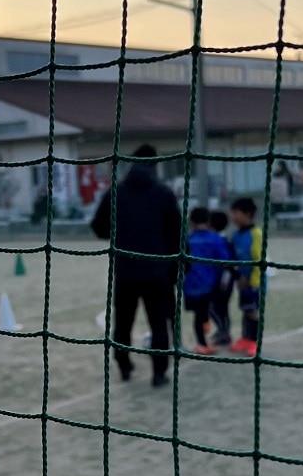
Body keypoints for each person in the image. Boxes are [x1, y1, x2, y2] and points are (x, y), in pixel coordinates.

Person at [90, 144, 181, 387]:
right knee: (159, 323)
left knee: (123, 322)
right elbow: (176, 234)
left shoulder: (116, 192)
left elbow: (98, 226)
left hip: (125, 269)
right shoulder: (164, 193)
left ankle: (124, 365)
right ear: (155, 164)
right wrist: (177, 268)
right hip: (157, 271)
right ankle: (159, 373)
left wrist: (122, 233)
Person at [183, 207, 231, 355]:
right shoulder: (215, 239)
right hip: (209, 284)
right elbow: (225, 262)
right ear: (208, 221)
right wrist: (224, 280)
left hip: (190, 284)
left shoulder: (188, 239)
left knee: (198, 313)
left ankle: (202, 338)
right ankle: (202, 343)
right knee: (204, 312)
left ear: (191, 222)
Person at [229, 196, 264, 357]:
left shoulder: (256, 233)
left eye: (236, 213)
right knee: (245, 309)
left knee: (252, 311)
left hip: (253, 281)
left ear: (248, 213)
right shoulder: (236, 235)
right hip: (241, 280)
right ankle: (245, 338)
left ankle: (254, 342)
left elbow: (257, 259)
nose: (233, 216)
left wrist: (249, 279)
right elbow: (234, 258)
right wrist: (237, 275)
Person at [207, 209, 236, 347]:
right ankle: (223, 331)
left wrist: (224, 281)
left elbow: (229, 265)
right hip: (216, 280)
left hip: (223, 281)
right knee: (219, 308)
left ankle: (224, 332)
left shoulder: (222, 240)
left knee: (215, 307)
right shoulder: (216, 239)